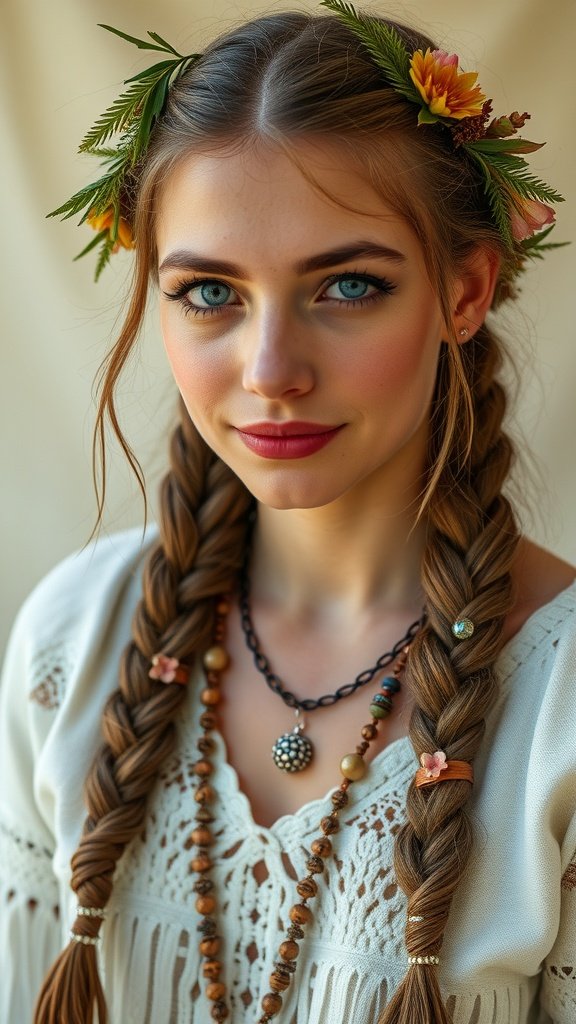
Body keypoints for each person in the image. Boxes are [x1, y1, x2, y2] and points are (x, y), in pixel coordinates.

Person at [0, 4, 574, 1023]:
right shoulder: (74, 641)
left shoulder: (559, 714)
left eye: (348, 284)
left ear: (466, 290)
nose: (271, 372)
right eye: (210, 293)